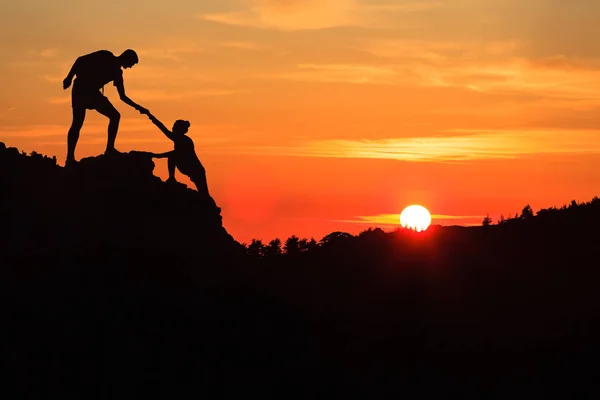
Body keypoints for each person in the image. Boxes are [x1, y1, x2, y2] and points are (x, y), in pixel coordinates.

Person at [62, 49, 149, 166]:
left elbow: (122, 96)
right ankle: (70, 158)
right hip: (81, 88)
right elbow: (80, 60)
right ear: (126, 58)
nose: (130, 67)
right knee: (77, 123)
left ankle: (109, 149)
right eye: (131, 64)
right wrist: (69, 77)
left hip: (93, 93)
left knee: (115, 116)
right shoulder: (105, 55)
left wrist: (138, 107)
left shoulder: (118, 74)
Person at [146, 112, 212, 198]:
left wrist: (158, 155)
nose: (172, 128)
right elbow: (163, 129)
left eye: (174, 127)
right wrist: (150, 116)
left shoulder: (184, 140)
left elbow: (175, 153)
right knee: (203, 194)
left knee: (204, 194)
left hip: (196, 170)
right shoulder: (180, 138)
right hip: (188, 167)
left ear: (179, 130)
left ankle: (210, 206)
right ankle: (172, 178)